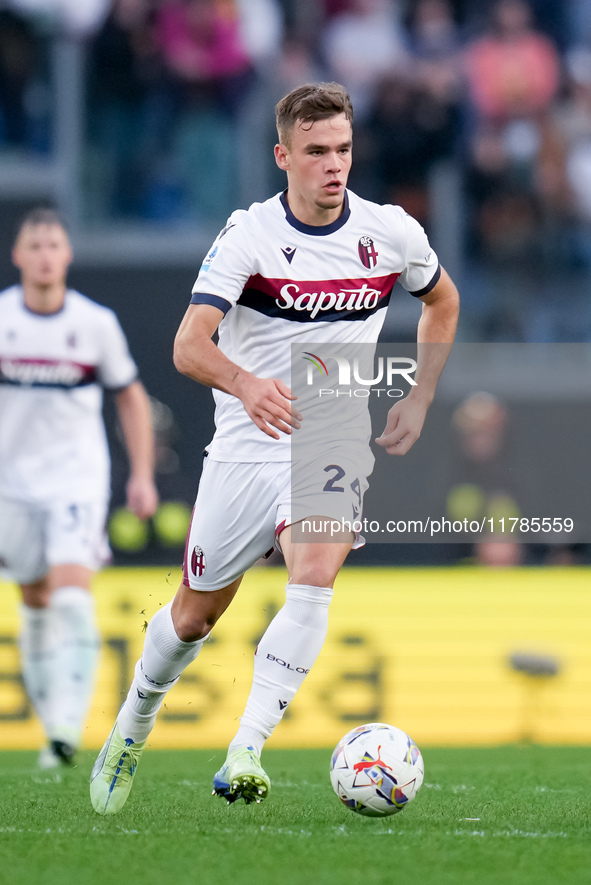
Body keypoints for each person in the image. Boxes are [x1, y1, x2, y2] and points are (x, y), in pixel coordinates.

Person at [90, 81, 459, 815]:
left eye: (344, 149)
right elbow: (188, 345)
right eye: (317, 151)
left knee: (313, 572)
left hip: (331, 436)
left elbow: (441, 300)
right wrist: (246, 384)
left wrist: (417, 394)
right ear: (282, 155)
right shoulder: (249, 236)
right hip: (245, 445)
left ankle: (246, 747)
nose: (334, 165)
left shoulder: (390, 233)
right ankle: (133, 723)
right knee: (193, 618)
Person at [0, 207, 158, 770]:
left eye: (53, 245)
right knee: (35, 604)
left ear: (67, 255)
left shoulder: (94, 324)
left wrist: (141, 474)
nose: (44, 255)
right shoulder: (2, 320)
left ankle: (67, 728)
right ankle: (53, 732)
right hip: (11, 486)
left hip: (75, 479)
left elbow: (131, 396)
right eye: (34, 245)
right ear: (18, 256)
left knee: (69, 595)